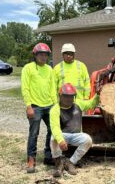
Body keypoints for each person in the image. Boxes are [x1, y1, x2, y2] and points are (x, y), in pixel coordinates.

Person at [21, 43, 57, 173]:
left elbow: (52, 88)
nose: (43, 57)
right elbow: (25, 88)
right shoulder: (28, 68)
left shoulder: (49, 69)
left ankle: (48, 156)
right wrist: (28, 106)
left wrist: (55, 105)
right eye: (40, 54)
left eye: (45, 54)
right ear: (35, 55)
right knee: (34, 133)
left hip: (49, 106)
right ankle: (31, 159)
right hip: (35, 107)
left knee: (53, 130)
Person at [49, 83, 99, 177]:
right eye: (66, 96)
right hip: (63, 135)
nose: (69, 99)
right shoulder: (55, 109)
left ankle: (71, 162)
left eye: (71, 96)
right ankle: (58, 163)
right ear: (60, 96)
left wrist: (98, 94)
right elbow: (55, 127)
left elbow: (91, 104)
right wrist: (60, 140)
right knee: (53, 138)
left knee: (88, 139)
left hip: (76, 135)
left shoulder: (78, 104)